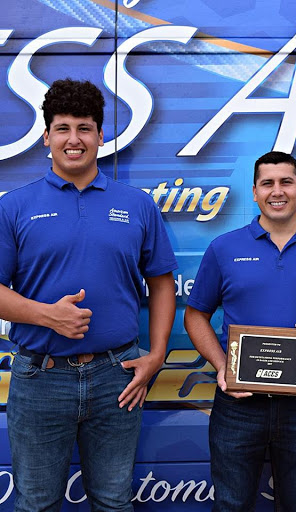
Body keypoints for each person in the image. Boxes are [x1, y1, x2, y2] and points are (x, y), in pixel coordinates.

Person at [0, 78, 177, 511]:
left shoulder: (137, 205)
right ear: (46, 137)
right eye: (62, 128)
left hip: (117, 376)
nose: (74, 139)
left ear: (100, 136)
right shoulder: (14, 206)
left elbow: (161, 283)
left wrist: (156, 355)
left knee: (114, 501)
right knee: (36, 503)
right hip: (40, 377)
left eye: (84, 128)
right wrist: (46, 315)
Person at [184, 151, 296, 511]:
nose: (277, 191)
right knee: (231, 505)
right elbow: (195, 315)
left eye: (286, 182)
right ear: (255, 192)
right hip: (238, 404)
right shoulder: (224, 248)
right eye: (267, 183)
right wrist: (222, 366)